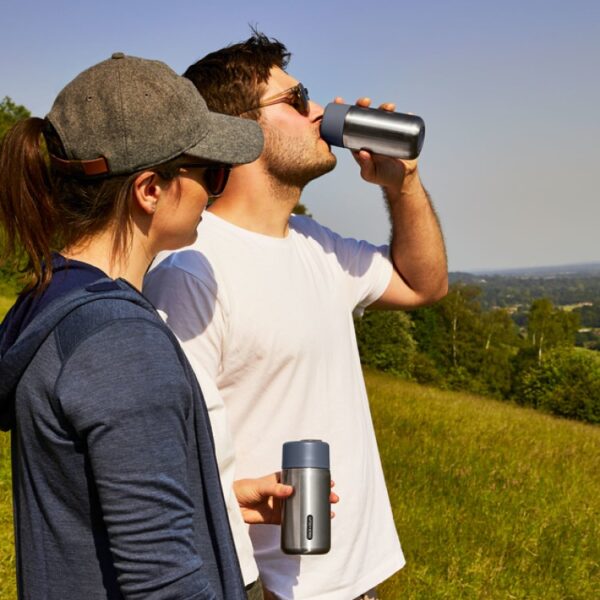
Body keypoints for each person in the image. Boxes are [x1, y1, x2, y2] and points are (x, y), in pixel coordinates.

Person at [144, 33, 447, 600]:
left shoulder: (315, 242)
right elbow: (168, 456)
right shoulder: (192, 270)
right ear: (239, 129)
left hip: (357, 578)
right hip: (277, 585)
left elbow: (423, 285)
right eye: (296, 98)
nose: (318, 112)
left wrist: (403, 185)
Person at [0, 53, 272, 600]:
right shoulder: (122, 342)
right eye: (211, 174)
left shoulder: (53, 303)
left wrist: (209, 499)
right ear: (150, 189)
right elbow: (164, 582)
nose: (212, 194)